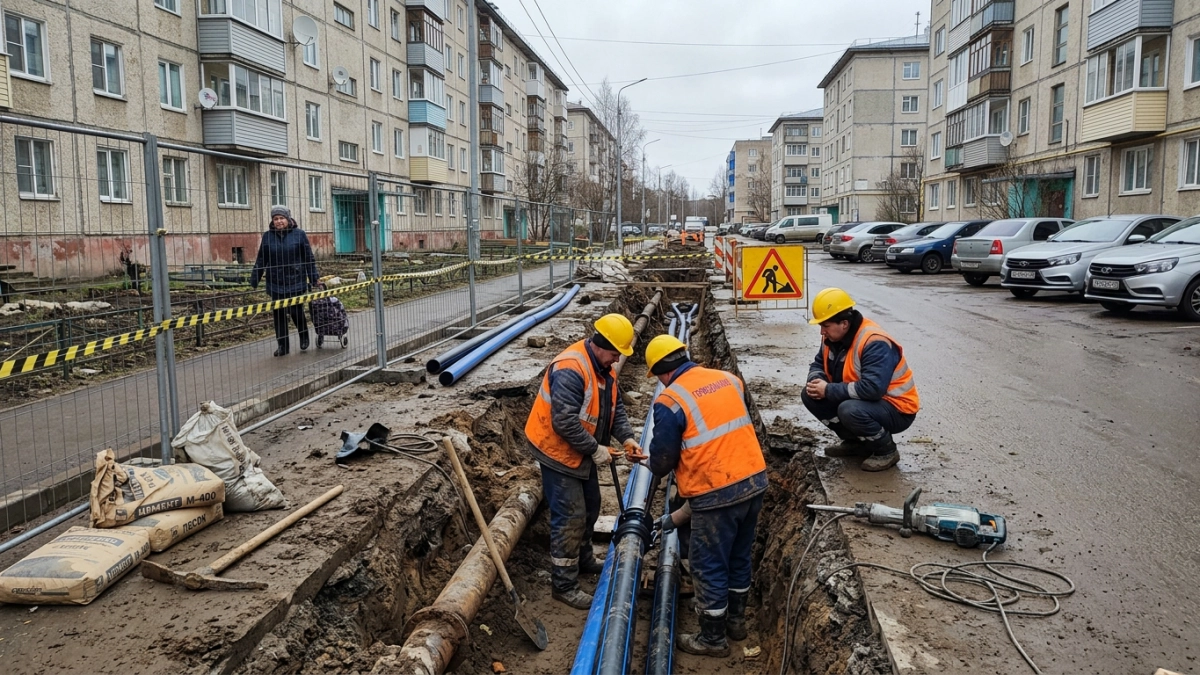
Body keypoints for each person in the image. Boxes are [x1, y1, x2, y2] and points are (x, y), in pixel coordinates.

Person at [643, 335, 768, 658]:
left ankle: (713, 638)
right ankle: (736, 623)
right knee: (738, 556)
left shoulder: (670, 400)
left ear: (662, 372)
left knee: (708, 564)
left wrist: (651, 462)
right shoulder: (728, 379)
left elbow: (663, 460)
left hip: (716, 493)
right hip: (753, 480)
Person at [524, 314, 645, 610]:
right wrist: (595, 449)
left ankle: (584, 558)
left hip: (580, 449)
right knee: (571, 516)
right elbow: (564, 422)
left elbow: (614, 409)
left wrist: (627, 438)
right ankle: (564, 584)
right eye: (615, 353)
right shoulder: (571, 369)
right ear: (602, 345)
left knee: (591, 506)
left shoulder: (604, 368)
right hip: (556, 450)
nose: (617, 359)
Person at [801, 287, 920, 471]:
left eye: (825, 326)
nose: (822, 332)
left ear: (844, 324)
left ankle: (886, 450)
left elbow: (872, 389)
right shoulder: (832, 338)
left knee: (849, 410)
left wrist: (828, 390)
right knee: (810, 395)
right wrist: (816, 381)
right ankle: (857, 443)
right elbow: (818, 363)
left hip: (897, 408)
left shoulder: (874, 342)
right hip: (865, 401)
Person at [250, 207, 319, 357]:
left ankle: (304, 336)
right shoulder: (268, 236)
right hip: (276, 282)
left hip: (295, 280)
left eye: (281, 218)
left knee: (296, 311)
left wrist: (314, 278)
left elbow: (308, 258)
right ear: (272, 221)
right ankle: (282, 346)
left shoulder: (299, 234)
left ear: (288, 219)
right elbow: (261, 259)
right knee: (279, 314)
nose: (279, 221)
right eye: (276, 219)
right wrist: (254, 279)